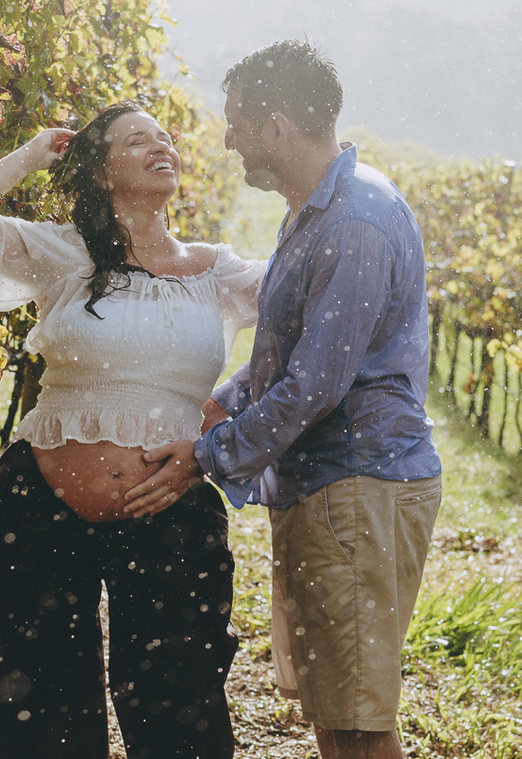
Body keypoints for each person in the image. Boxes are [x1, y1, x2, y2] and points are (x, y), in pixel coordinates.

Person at [128, 41, 443, 759]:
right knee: (333, 709)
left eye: (236, 122)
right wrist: (219, 401)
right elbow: (295, 360)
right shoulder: (316, 212)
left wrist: (205, 455)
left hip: (357, 488)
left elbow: (317, 386)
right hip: (326, 487)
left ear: (275, 128)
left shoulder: (354, 221)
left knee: (360, 724)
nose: (227, 138)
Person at [0, 100, 265, 759]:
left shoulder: (217, 271)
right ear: (99, 172)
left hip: (172, 509)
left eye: (165, 137)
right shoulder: (63, 252)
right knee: (44, 713)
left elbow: (316, 308)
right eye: (137, 140)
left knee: (181, 713)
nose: (162, 146)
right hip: (40, 507)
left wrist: (222, 431)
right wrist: (36, 153)